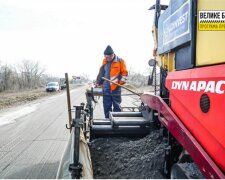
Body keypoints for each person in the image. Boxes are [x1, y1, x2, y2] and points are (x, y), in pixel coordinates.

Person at [96, 45, 128, 118]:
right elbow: (101, 73)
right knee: (107, 105)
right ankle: (108, 121)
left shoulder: (120, 61)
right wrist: (98, 83)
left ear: (112, 55)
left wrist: (119, 84)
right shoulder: (104, 61)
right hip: (106, 87)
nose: (106, 58)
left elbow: (125, 74)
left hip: (116, 87)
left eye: (107, 57)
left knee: (117, 105)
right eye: (105, 56)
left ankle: (117, 121)